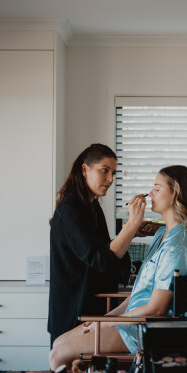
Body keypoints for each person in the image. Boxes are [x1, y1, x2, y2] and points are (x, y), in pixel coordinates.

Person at [49, 165, 187, 369]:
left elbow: (157, 308)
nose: (150, 193)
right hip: (134, 321)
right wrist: (107, 318)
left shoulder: (177, 247)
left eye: (157, 188)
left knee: (58, 356)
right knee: (58, 343)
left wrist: (106, 323)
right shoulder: (162, 235)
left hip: (148, 329)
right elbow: (139, 294)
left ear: (175, 194)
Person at [48, 144, 147, 342]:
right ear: (85, 169)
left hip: (88, 309)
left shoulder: (91, 205)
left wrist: (132, 231)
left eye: (113, 173)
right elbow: (102, 259)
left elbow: (102, 250)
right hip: (74, 313)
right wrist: (130, 225)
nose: (110, 179)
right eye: (104, 170)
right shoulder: (71, 210)